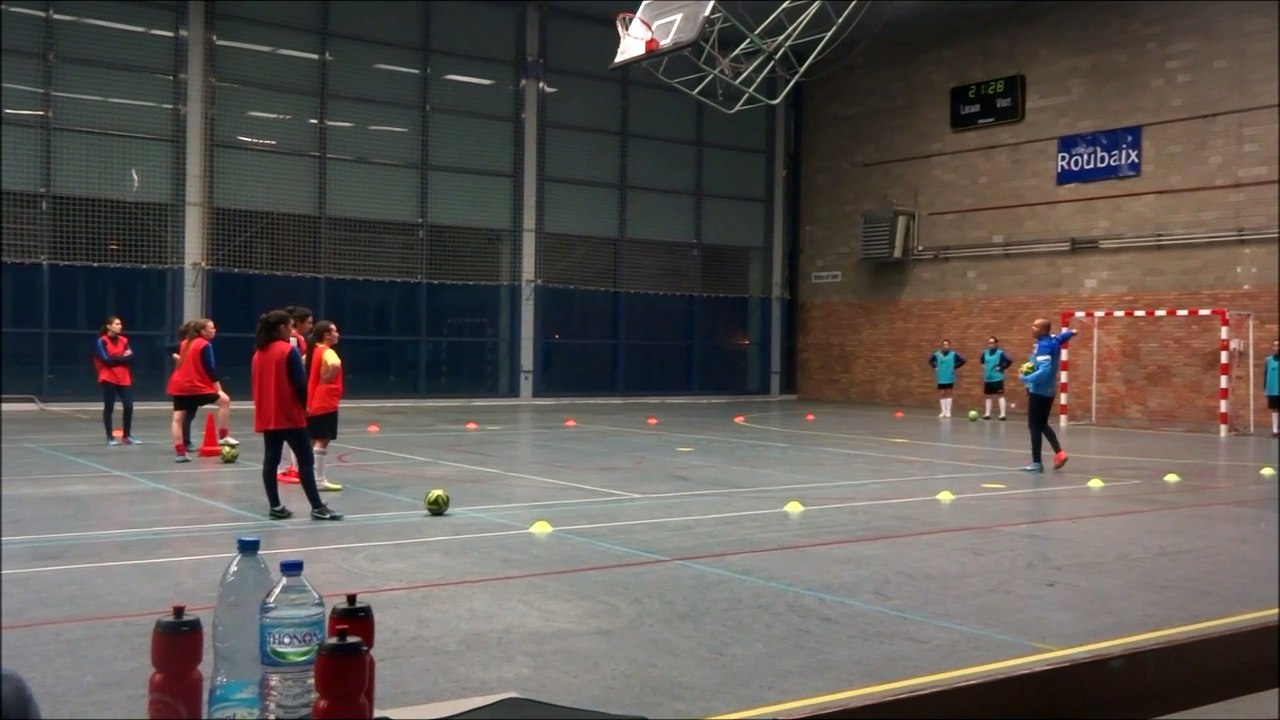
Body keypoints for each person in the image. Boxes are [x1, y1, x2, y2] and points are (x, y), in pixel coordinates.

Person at [251, 309, 342, 521]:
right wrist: (305, 405)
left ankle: (275, 506)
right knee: (305, 459)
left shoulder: (258, 353)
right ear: (282, 328)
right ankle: (317, 507)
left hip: (268, 413)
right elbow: (300, 384)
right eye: (290, 326)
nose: (292, 331)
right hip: (289, 414)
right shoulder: (286, 351)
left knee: (270, 459)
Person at [166, 318, 239, 463]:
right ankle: (223, 438)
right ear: (203, 331)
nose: (214, 330)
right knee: (224, 401)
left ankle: (180, 453)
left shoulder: (185, 343)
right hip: (195, 385)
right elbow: (210, 368)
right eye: (211, 328)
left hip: (178, 385)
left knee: (177, 419)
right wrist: (219, 390)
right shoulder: (204, 345)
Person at [1019, 318, 1077, 472]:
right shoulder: (1054, 339)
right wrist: (1072, 332)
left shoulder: (1043, 346)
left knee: (1034, 426)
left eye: (1035, 326)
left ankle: (1037, 463)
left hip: (1039, 391)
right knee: (1042, 423)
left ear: (1043, 330)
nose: (1032, 328)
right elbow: (1063, 336)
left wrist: (1027, 378)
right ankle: (1060, 453)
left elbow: (1044, 369)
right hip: (1050, 390)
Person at [276, 305, 315, 482]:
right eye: (308, 323)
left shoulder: (298, 339)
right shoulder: (293, 339)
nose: (310, 326)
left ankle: (289, 467)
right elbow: (292, 362)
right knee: (293, 429)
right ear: (297, 323)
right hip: (290, 390)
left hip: (289, 388)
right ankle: (288, 468)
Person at [305, 320, 344, 492]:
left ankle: (310, 475)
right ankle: (319, 479)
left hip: (313, 400)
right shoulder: (328, 352)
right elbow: (335, 365)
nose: (337, 334)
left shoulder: (313, 351)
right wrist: (328, 378)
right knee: (322, 440)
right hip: (325, 401)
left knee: (314, 439)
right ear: (326, 335)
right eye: (334, 331)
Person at [94, 316, 138, 446]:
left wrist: (115, 358)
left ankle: (127, 435)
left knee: (129, 405)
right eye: (117, 324)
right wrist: (121, 358)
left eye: (120, 324)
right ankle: (109, 437)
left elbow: (130, 357)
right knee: (109, 406)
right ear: (109, 326)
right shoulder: (102, 341)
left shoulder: (124, 340)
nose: (120, 326)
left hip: (124, 377)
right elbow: (105, 360)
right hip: (108, 377)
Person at [928, 339, 966, 418]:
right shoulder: (937, 354)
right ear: (942, 346)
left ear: (949, 346)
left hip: (949, 376)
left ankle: (948, 411)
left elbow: (963, 360)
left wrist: (954, 367)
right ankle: (943, 411)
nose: (945, 346)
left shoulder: (953, 354)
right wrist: (935, 367)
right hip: (941, 376)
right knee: (942, 394)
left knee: (948, 393)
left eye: (947, 345)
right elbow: (930, 361)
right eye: (944, 345)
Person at [980, 336, 1014, 420]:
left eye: (992, 343)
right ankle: (987, 414)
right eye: (989, 343)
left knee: (1000, 395)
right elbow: (982, 361)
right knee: (988, 396)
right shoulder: (985, 353)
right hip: (988, 378)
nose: (990, 344)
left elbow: (1009, 361)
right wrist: (985, 368)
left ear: (996, 344)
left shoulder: (1000, 353)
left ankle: (1002, 414)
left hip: (997, 378)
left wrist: (1001, 367)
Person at [1265, 339, 1279, 438]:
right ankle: (1275, 430)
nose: (1277, 348)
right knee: (1274, 410)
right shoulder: (1268, 360)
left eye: (1278, 345)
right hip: (1272, 390)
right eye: (1275, 346)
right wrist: (1265, 388)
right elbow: (1265, 375)